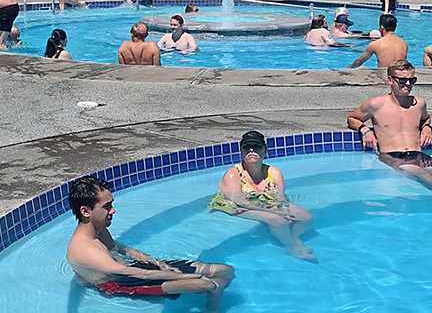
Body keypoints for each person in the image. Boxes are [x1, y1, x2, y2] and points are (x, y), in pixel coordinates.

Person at [66, 175, 234, 310]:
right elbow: (141, 275)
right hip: (120, 282)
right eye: (107, 206)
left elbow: (122, 250)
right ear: (85, 211)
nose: (113, 210)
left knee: (226, 270)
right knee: (206, 284)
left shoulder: (98, 228)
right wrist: (185, 275)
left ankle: (212, 306)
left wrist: (157, 263)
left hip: (132, 270)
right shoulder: (86, 249)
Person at [348, 60, 432, 207]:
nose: (408, 84)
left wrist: (427, 127)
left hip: (418, 154)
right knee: (418, 172)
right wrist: (364, 129)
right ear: (390, 80)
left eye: (411, 80)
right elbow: (352, 119)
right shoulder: (376, 104)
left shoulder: (419, 103)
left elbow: (426, 118)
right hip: (392, 155)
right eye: (402, 80)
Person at [209, 131, 315, 260]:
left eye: (257, 147)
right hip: (235, 205)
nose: (251, 150)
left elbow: (280, 197)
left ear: (265, 151)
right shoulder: (233, 174)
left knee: (307, 217)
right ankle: (290, 246)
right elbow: (240, 201)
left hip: (264, 201)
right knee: (278, 220)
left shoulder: (274, 173)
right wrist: (277, 212)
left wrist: (284, 209)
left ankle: (293, 235)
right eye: (247, 147)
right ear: (241, 152)